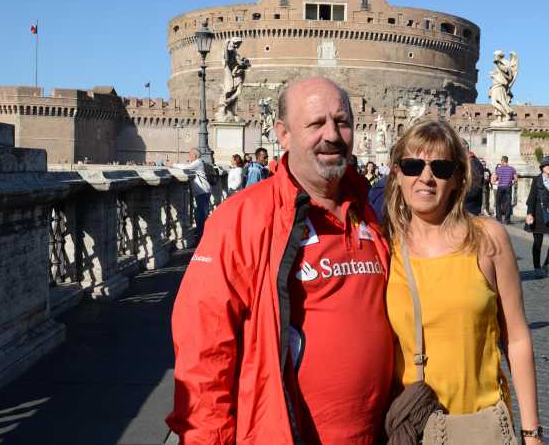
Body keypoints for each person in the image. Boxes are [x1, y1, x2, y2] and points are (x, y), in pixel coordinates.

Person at [167, 77, 394, 444]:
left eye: (342, 122)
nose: (332, 135)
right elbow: (203, 349)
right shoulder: (241, 218)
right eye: (316, 123)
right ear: (283, 135)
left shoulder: (368, 213)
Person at [383, 119, 543, 444]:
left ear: (458, 178)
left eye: (441, 168)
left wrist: (532, 433)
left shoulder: (488, 239)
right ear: (397, 173)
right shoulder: (384, 246)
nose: (426, 177)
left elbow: (516, 338)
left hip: (479, 426)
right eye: (413, 165)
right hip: (412, 428)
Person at [525, 156, 549, 277]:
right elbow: (531, 198)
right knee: (538, 242)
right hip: (538, 215)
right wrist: (529, 214)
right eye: (547, 165)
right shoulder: (536, 180)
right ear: (542, 167)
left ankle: (547, 264)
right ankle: (537, 267)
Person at [175, 148, 211, 243]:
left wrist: (173, 165)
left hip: (202, 191)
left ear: (195, 155)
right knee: (201, 214)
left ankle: (201, 237)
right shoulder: (198, 162)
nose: (189, 157)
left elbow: (186, 167)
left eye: (190, 155)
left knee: (200, 215)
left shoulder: (198, 162)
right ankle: (202, 235)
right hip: (203, 191)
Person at [493, 155, 518, 224]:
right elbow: (516, 179)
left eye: (501, 160)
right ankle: (507, 220)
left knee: (498, 203)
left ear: (503, 161)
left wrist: (496, 182)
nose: (500, 162)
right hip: (508, 187)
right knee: (508, 204)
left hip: (500, 187)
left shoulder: (498, 169)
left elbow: (494, 179)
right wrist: (512, 183)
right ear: (507, 161)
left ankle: (499, 219)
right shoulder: (512, 169)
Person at [464, 149, 485, 215]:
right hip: (470, 203)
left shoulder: (473, 162)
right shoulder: (471, 161)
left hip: (470, 204)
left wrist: (465, 195)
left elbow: (476, 184)